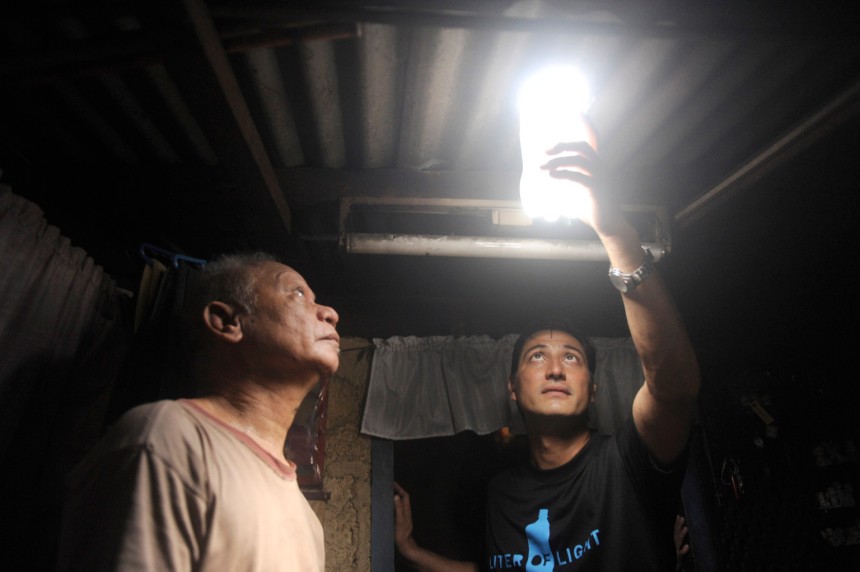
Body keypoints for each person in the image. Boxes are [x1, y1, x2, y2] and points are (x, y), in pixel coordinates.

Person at [394, 129, 701, 571]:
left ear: (593, 390)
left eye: (571, 358)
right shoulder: (503, 492)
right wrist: (411, 551)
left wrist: (612, 227)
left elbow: (674, 388)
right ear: (513, 389)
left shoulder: (626, 462)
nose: (555, 368)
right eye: (537, 356)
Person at [55, 252, 340, 571]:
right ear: (227, 321)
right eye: (297, 293)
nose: (330, 313)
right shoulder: (167, 439)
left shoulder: (307, 518)